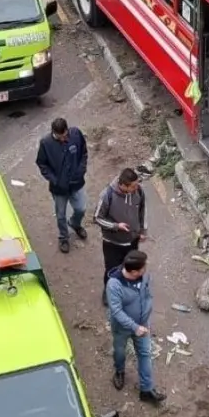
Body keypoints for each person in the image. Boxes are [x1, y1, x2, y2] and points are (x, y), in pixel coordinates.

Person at [106, 250, 167, 404]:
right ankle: (119, 371)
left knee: (145, 353)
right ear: (133, 272)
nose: (145, 270)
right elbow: (116, 311)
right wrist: (134, 327)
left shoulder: (144, 276)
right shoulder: (114, 285)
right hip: (122, 328)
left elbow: (146, 294)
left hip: (143, 324)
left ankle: (146, 390)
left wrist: (146, 313)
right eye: (142, 268)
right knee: (120, 351)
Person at [94, 168, 147, 305]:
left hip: (132, 240)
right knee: (112, 270)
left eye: (137, 184)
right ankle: (108, 291)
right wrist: (116, 226)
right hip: (113, 242)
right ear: (123, 185)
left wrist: (141, 231)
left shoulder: (139, 192)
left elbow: (141, 212)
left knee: (130, 267)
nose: (137, 187)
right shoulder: (107, 195)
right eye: (133, 186)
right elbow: (97, 218)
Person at [35, 118, 89, 253]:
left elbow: (83, 153)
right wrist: (55, 180)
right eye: (60, 137)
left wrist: (81, 170)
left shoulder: (76, 134)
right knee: (60, 215)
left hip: (77, 183)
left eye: (65, 136)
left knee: (81, 209)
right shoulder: (46, 143)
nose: (64, 139)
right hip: (59, 188)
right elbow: (42, 164)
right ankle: (63, 237)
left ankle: (75, 224)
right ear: (54, 132)